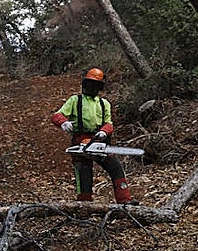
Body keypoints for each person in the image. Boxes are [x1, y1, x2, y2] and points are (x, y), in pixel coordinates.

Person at [49, 67, 136, 205]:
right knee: (84, 174)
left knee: (116, 167)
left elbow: (109, 123)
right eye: (90, 84)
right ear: (85, 84)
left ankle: (125, 200)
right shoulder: (75, 100)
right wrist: (63, 122)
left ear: (99, 86)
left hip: (99, 141)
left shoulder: (104, 103)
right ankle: (84, 205)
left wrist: (104, 131)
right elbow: (56, 115)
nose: (92, 87)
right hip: (80, 141)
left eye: (95, 85)